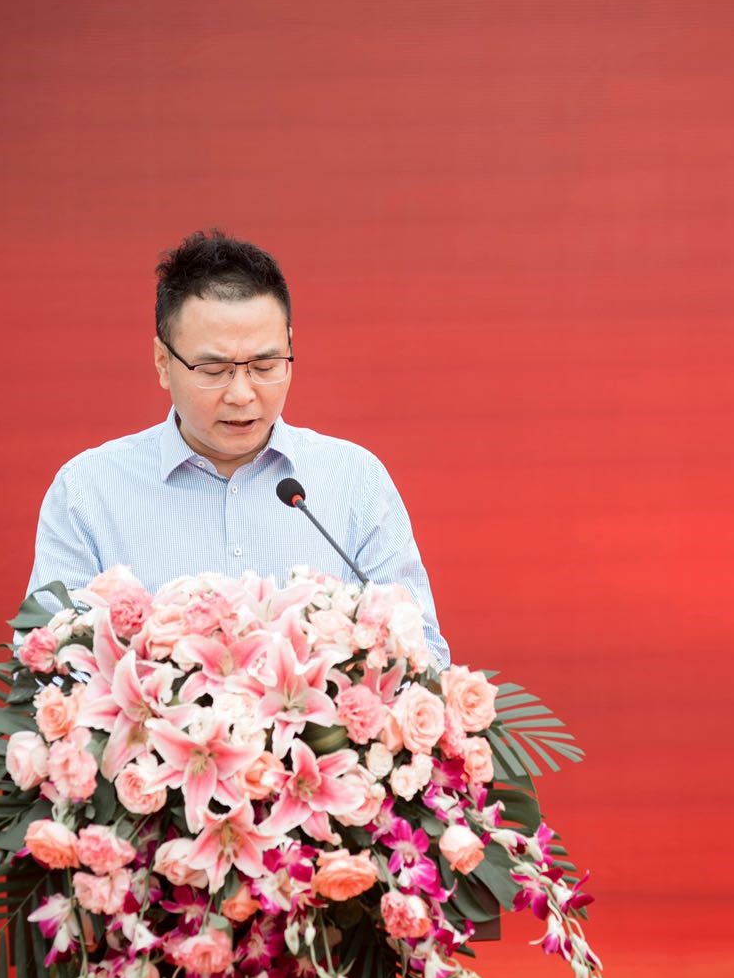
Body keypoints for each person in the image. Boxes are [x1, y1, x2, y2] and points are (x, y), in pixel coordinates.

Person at [27, 228, 449, 665]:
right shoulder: (88, 491)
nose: (242, 394)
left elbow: (424, 655)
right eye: (214, 370)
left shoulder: (354, 480)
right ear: (162, 362)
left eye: (265, 366)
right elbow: (47, 665)